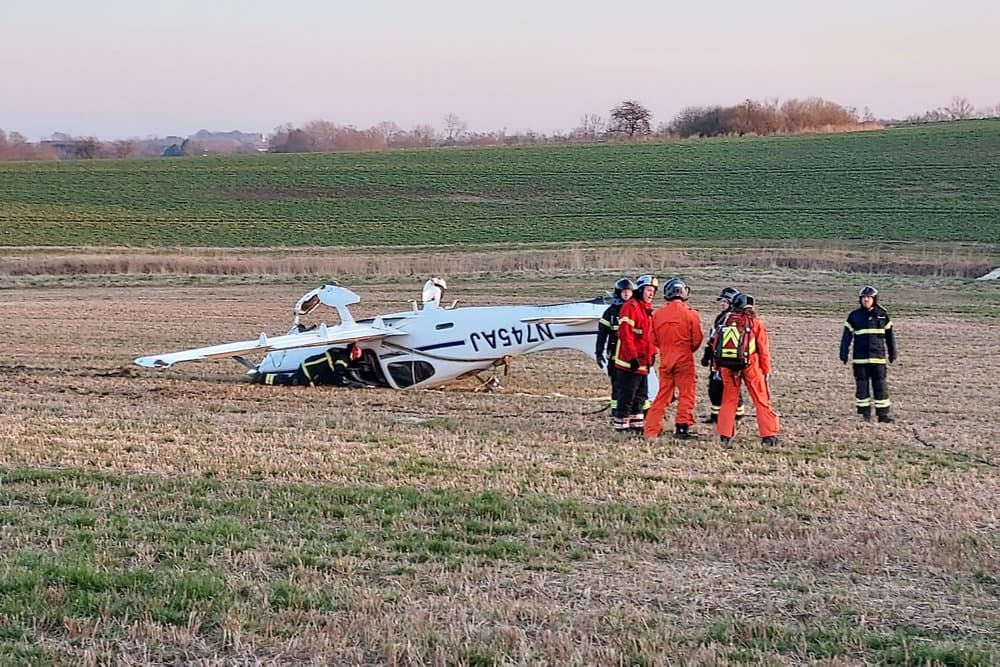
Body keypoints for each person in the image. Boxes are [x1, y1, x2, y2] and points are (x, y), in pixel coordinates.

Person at [713, 293, 780, 446]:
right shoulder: (755, 323)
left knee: (728, 401)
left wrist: (717, 367)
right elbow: (763, 350)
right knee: (761, 400)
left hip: (727, 366)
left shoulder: (726, 320)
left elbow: (716, 344)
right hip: (751, 365)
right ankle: (768, 435)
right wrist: (766, 370)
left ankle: (725, 435)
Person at [645, 278, 703, 439]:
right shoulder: (691, 314)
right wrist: (687, 350)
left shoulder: (657, 315)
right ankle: (682, 427)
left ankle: (651, 429)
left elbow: (652, 339)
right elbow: (697, 339)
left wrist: (665, 348)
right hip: (684, 358)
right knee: (686, 394)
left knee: (662, 395)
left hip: (666, 359)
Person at [840, 285, 897, 423]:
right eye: (864, 298)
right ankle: (864, 415)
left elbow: (890, 336)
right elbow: (846, 336)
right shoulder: (854, 316)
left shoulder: (883, 315)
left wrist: (892, 352)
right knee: (862, 388)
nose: (866, 300)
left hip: (878, 359)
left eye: (869, 298)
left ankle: (883, 415)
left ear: (874, 299)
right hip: (860, 360)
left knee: (880, 387)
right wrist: (843, 352)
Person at [613, 274, 658, 433]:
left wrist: (653, 353)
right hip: (628, 362)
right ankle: (622, 426)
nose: (651, 294)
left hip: (643, 362)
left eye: (653, 291)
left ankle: (636, 425)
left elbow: (649, 337)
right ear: (640, 290)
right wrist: (632, 357)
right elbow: (626, 335)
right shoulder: (630, 307)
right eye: (648, 290)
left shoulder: (647, 310)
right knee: (627, 396)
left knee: (640, 396)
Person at [701, 286, 745, 423]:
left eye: (725, 302)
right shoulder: (721, 318)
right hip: (717, 359)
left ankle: (737, 415)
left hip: (726, 361)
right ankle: (716, 415)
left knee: (729, 388)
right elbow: (712, 339)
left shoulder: (733, 320)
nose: (722, 304)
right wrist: (707, 356)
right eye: (722, 301)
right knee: (715, 389)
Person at [595, 277, 635, 416]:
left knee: (634, 385)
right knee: (617, 385)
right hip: (615, 355)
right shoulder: (610, 313)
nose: (626, 294)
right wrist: (598, 353)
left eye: (629, 291)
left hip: (632, 355)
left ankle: (634, 411)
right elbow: (602, 334)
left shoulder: (635, 310)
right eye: (624, 291)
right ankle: (616, 410)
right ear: (618, 293)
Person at [254, 343, 362, 387]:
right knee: (293, 381)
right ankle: (261, 378)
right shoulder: (343, 359)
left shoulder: (340, 353)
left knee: (298, 381)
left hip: (311, 367)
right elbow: (338, 373)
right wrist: (342, 384)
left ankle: (262, 378)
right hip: (309, 369)